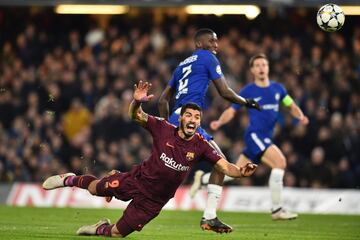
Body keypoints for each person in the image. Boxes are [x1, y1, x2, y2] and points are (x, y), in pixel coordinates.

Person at [42, 81, 257, 238]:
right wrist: (136, 103)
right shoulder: (164, 128)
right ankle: (68, 179)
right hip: (138, 179)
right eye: (189, 116)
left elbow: (225, 167)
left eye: (197, 117)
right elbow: (136, 116)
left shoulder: (202, 145)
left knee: (117, 233)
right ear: (181, 117)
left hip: (154, 201)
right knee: (94, 189)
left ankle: (99, 228)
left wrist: (240, 171)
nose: (193, 120)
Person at [158, 28, 260, 233]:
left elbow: (162, 100)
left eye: (217, 41)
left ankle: (117, 183)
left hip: (176, 121)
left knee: (161, 172)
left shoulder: (180, 65)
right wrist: (246, 102)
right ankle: (210, 217)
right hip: (190, 122)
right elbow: (225, 92)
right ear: (199, 44)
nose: (216, 45)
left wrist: (166, 127)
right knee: (220, 163)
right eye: (212, 41)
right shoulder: (208, 59)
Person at [190, 53, 309, 222]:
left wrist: (301, 116)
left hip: (265, 137)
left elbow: (291, 105)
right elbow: (232, 110)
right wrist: (219, 122)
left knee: (234, 172)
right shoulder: (248, 91)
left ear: (268, 68)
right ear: (253, 70)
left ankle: (201, 178)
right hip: (254, 135)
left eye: (264, 65)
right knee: (280, 162)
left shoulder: (279, 89)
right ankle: (277, 209)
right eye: (258, 65)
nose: (261, 68)